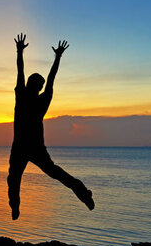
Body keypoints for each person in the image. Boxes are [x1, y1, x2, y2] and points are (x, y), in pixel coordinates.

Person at [8, 33, 94, 220]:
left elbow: (23, 72)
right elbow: (46, 76)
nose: (30, 84)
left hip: (28, 146)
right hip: (27, 146)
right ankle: (15, 207)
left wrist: (21, 52)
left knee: (17, 179)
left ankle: (83, 193)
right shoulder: (37, 98)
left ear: (34, 85)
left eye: (33, 82)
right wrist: (57, 57)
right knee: (21, 178)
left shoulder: (24, 96)